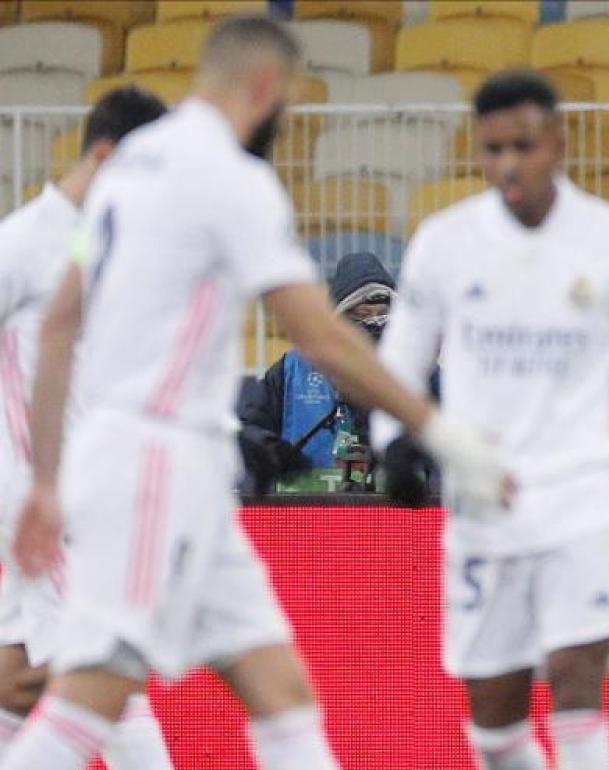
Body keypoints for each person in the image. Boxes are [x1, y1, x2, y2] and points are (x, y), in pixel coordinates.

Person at [4, 17, 506, 770]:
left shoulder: (128, 170)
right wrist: (438, 431)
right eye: (292, 105)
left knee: (281, 691)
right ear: (267, 88)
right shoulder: (230, 179)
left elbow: (60, 319)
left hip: (181, 469)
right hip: (154, 461)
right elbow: (322, 334)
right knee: (91, 702)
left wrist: (46, 475)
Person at [372, 70, 609, 770]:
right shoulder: (445, 244)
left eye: (523, 146)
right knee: (494, 726)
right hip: (483, 502)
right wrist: (394, 444)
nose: (507, 165)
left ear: (557, 144)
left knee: (576, 688)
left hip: (583, 496)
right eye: (492, 149)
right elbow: (401, 356)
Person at [0, 86, 173, 768]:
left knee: (20, 691)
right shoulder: (20, 245)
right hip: (31, 506)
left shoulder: (107, 250)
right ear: (105, 155)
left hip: (80, 503)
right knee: (115, 685)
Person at [238, 252, 399, 491]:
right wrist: (270, 450)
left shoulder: (416, 374)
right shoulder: (292, 370)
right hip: (305, 520)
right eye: (362, 316)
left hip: (397, 523)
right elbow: (246, 426)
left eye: (382, 316)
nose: (373, 325)